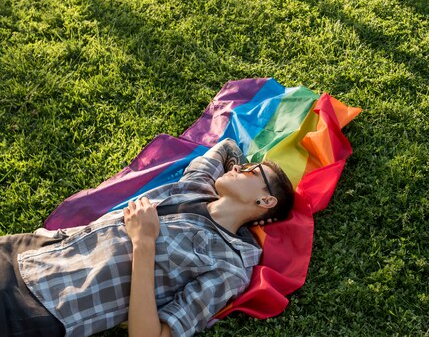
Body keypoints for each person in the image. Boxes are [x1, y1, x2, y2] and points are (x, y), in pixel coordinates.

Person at [0, 138, 295, 337]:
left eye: (250, 170)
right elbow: (227, 146)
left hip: (44, 304)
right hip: (32, 249)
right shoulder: (196, 187)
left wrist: (144, 243)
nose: (237, 168)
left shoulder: (229, 266)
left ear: (266, 201)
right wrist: (242, 168)